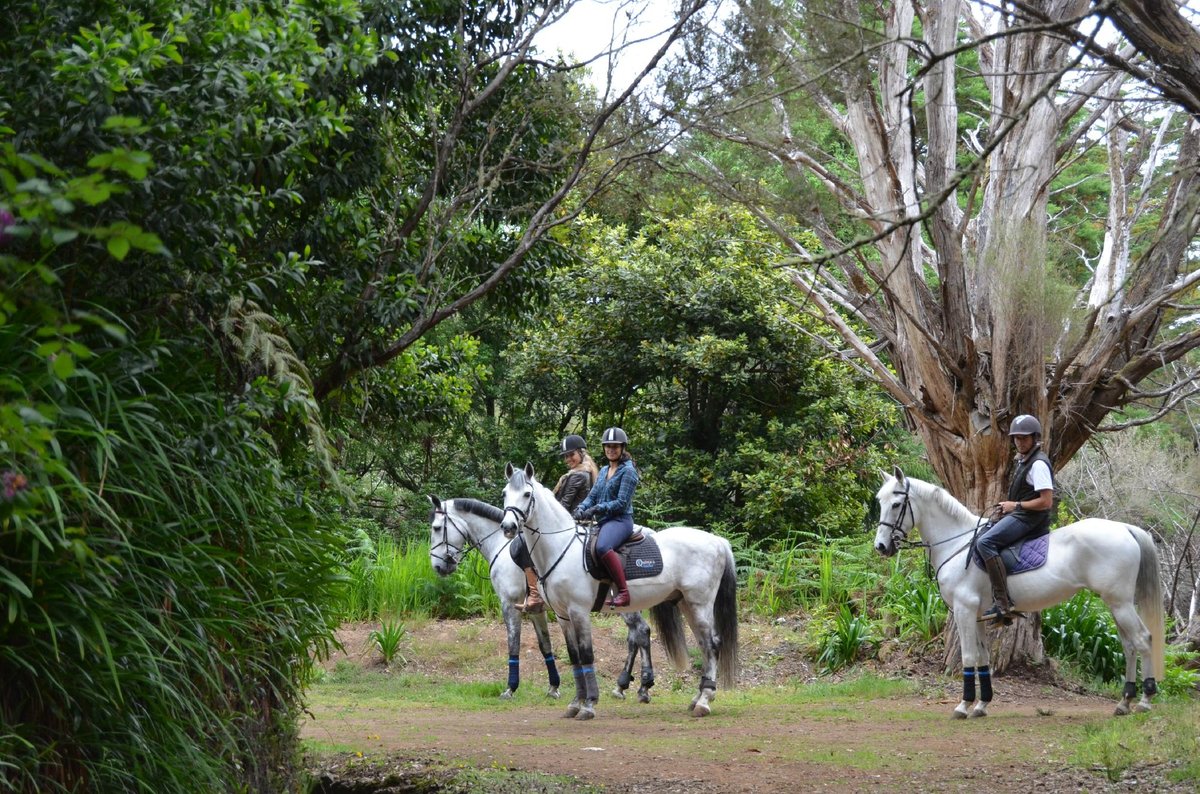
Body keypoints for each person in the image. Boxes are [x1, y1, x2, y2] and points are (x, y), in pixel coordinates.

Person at [978, 414, 1056, 624]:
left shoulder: (1038, 464)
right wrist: (1010, 509)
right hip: (1022, 514)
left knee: (985, 542)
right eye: (1016, 438)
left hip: (1031, 520)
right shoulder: (1025, 460)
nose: (1020, 442)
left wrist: (1016, 506)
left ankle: (1003, 604)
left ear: (1034, 438)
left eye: (1024, 438)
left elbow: (1046, 501)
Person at [510, 434, 597, 613]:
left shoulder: (578, 475)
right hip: (572, 520)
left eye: (571, 454)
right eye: (565, 456)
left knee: (520, 545)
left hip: (571, 522)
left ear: (581, 453)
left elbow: (563, 506)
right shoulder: (579, 473)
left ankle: (535, 594)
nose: (567, 459)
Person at [572, 427, 639, 607]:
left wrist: (596, 509)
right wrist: (581, 508)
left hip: (620, 520)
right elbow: (592, 496)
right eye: (608, 446)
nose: (611, 449)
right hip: (604, 521)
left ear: (622, 447)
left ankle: (624, 592)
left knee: (602, 547)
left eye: (615, 446)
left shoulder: (628, 471)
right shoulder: (603, 470)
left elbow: (621, 503)